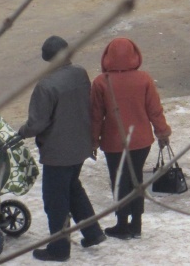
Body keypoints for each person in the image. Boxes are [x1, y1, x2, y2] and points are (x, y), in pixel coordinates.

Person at [18, 35, 107, 262]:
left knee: (55, 201)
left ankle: (59, 249)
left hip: (58, 152)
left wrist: (21, 132)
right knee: (73, 188)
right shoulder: (80, 73)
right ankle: (93, 233)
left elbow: (37, 123)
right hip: (79, 147)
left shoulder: (46, 86)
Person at [91, 37, 172, 240]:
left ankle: (122, 224)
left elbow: (95, 116)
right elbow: (155, 111)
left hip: (114, 142)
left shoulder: (101, 82)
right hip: (141, 141)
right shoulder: (144, 79)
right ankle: (136, 224)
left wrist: (92, 141)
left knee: (119, 181)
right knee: (136, 179)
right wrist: (162, 132)